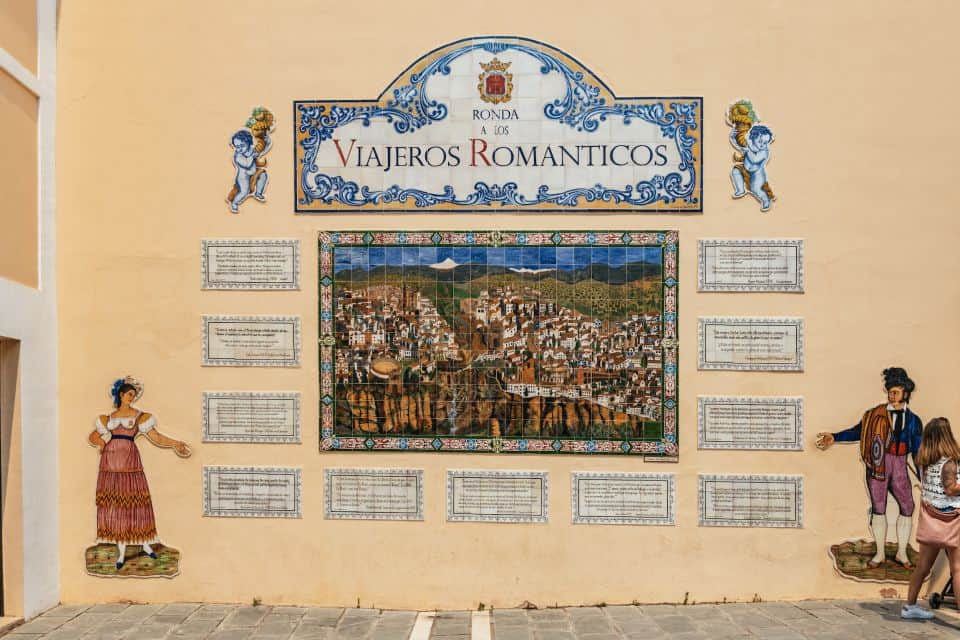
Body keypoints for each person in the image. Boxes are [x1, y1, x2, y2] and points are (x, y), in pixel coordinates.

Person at [816, 367, 922, 568]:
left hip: (900, 464)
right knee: (878, 507)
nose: (892, 395)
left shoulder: (914, 421)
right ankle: (880, 554)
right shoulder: (874, 415)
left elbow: (917, 450)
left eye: (896, 391)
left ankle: (901, 553)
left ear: (905, 394)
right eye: (890, 391)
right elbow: (858, 431)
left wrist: (922, 476)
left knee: (907, 507)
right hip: (877, 464)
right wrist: (835, 437)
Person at [88, 376, 191, 569]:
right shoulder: (108, 418)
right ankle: (121, 552)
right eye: (128, 395)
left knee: (135, 504)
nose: (131, 398)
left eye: (133, 395)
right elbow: (93, 436)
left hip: (130, 465)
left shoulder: (140, 417)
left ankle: (144, 543)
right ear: (121, 395)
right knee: (116, 507)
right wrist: (102, 443)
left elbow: (157, 438)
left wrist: (175, 443)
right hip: (110, 466)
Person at [902, 417, 960, 619]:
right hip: (951, 519)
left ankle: (909, 607)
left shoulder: (926, 462)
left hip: (931, 519)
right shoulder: (950, 463)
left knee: (922, 566)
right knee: (958, 569)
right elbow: (951, 488)